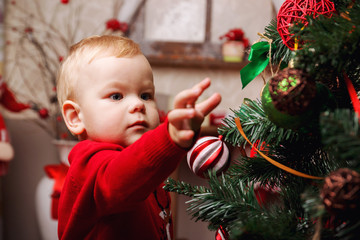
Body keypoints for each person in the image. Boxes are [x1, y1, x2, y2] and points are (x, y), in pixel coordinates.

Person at [56, 35, 221, 240]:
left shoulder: (144, 166)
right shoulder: (88, 164)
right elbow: (119, 181)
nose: (138, 105)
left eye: (145, 95)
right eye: (116, 96)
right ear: (75, 117)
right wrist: (169, 138)